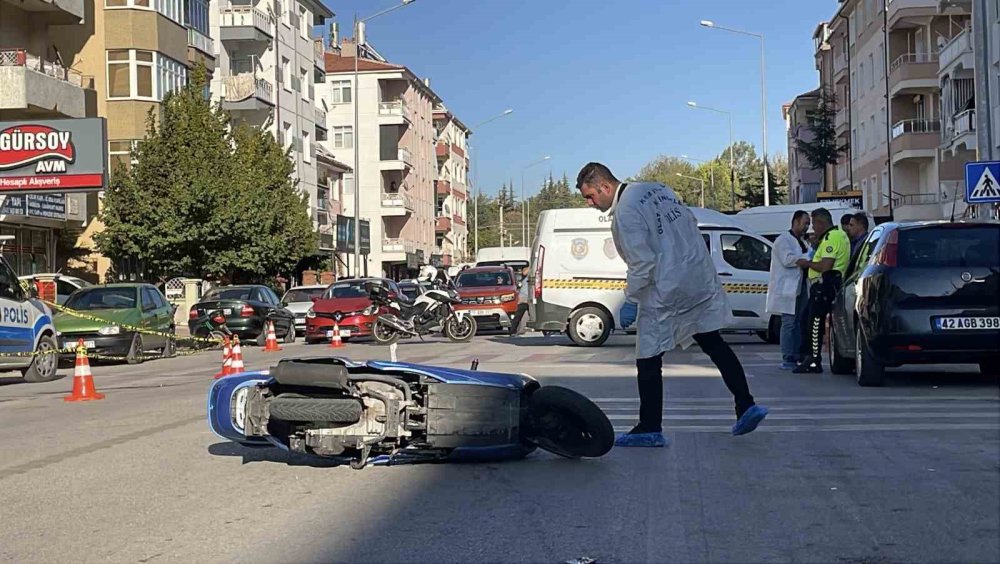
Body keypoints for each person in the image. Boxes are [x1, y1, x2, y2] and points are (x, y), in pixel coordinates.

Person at [575, 162, 768, 447]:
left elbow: (642, 262)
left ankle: (650, 427)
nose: (590, 203)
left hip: (665, 290)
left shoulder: (626, 211)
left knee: (648, 358)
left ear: (605, 186)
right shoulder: (657, 190)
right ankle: (746, 404)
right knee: (713, 342)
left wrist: (630, 299)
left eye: (590, 196)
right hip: (696, 279)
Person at [793, 207, 851, 374]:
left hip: (824, 285)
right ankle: (809, 357)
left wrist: (808, 264)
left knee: (814, 323)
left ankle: (813, 360)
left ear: (821, 222)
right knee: (807, 320)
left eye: (814, 224)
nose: (813, 228)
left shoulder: (832, 237)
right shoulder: (835, 235)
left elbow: (825, 266)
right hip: (824, 285)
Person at [765, 211, 811, 371]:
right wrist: (807, 260)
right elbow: (787, 259)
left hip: (801, 286)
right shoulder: (783, 240)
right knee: (789, 323)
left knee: (799, 321)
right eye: (805, 223)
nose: (807, 226)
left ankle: (797, 354)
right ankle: (787, 357)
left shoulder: (802, 241)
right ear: (796, 221)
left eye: (808, 223)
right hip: (787, 287)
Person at [509, 266, 531, 336]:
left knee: (535, 314)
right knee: (518, 315)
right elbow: (524, 272)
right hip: (524, 296)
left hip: (533, 296)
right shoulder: (527, 270)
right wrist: (532, 265)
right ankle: (513, 331)